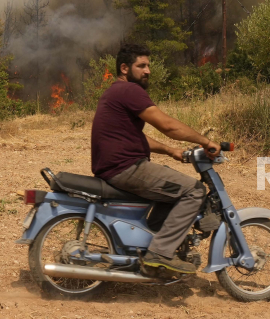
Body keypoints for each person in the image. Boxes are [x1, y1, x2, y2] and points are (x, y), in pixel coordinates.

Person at [90, 43, 220, 275]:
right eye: (141, 66)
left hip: (116, 167)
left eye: (148, 65)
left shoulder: (114, 92)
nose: (148, 70)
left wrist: (171, 151)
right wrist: (205, 141)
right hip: (126, 168)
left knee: (171, 193)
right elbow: (168, 125)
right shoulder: (130, 91)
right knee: (194, 191)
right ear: (124, 68)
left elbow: (135, 138)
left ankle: (150, 245)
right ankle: (159, 254)